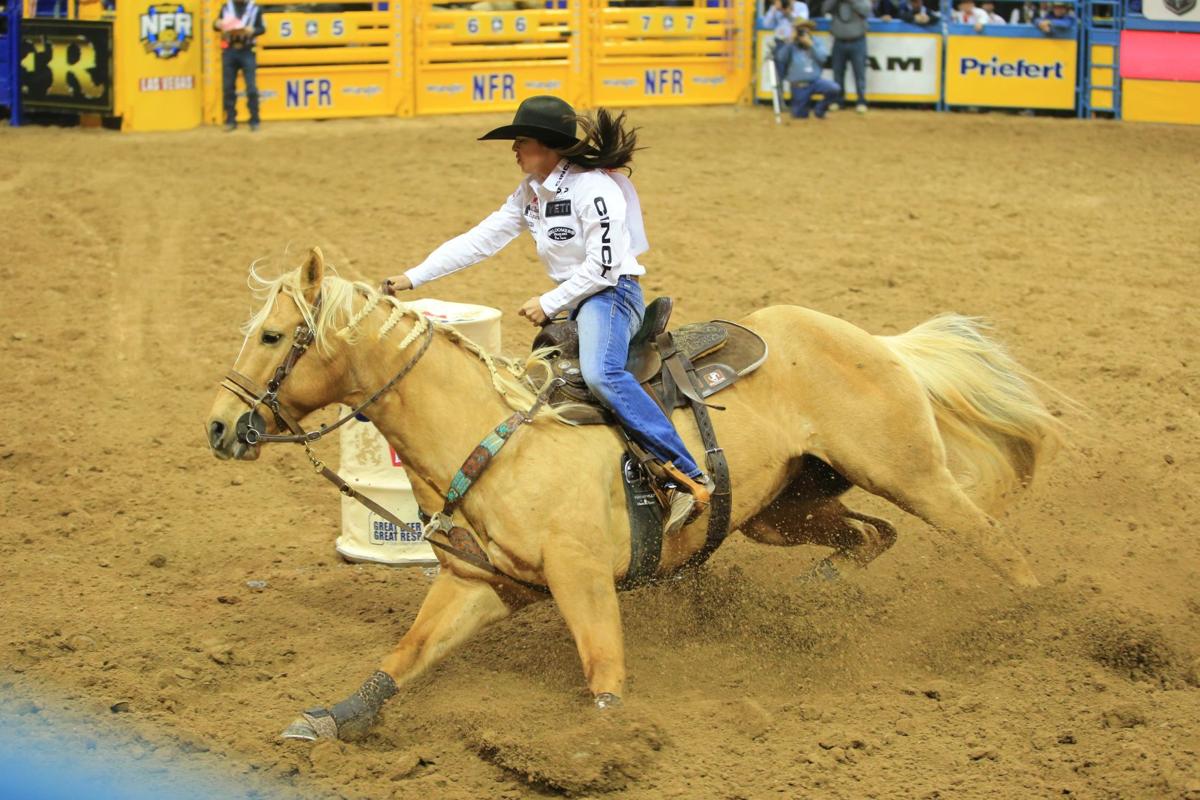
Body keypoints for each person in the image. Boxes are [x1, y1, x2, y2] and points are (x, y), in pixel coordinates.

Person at [381, 96, 715, 534]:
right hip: (579, 301)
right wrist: (413, 277)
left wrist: (550, 302)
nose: (514, 149)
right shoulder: (531, 193)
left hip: (613, 295)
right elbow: (480, 239)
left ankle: (688, 475)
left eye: (521, 141)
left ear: (548, 146)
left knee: (601, 374)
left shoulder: (594, 189)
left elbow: (605, 266)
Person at [212, 0, 265, 132]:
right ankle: (230, 120)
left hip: (247, 50)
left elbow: (262, 28)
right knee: (228, 87)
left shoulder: (255, 8)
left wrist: (253, 30)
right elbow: (215, 25)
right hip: (230, 50)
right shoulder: (226, 7)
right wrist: (217, 23)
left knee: (251, 87)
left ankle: (254, 120)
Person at [777, 20, 841, 119]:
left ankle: (820, 109)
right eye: (800, 30)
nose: (804, 32)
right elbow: (780, 58)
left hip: (815, 82)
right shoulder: (791, 44)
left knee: (834, 88)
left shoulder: (816, 42)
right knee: (799, 116)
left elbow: (823, 58)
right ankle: (801, 110)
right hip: (798, 85)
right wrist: (790, 42)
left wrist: (811, 45)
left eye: (807, 29)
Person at [822, 0, 871, 113]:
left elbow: (866, 10)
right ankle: (838, 101)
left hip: (858, 41)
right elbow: (825, 9)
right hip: (839, 41)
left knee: (859, 73)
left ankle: (861, 101)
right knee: (838, 73)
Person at [762, 0, 811, 85]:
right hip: (780, 43)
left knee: (795, 75)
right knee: (778, 75)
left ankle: (795, 92)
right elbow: (766, 24)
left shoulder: (801, 6)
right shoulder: (777, 5)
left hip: (795, 44)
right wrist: (774, 9)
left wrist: (788, 12)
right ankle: (779, 92)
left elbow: (802, 23)